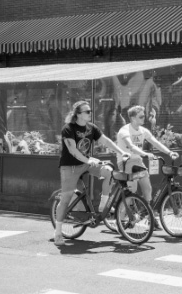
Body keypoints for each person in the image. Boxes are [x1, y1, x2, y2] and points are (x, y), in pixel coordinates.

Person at [54, 101, 130, 246]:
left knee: (108, 171)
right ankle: (58, 232)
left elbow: (106, 141)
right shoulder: (68, 129)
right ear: (78, 114)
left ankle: (103, 206)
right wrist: (88, 161)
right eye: (87, 111)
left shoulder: (91, 128)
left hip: (86, 163)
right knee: (66, 199)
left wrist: (122, 152)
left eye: (90, 111)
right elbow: (73, 151)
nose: (90, 113)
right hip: (70, 166)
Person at [117, 105, 179, 226]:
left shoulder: (143, 130)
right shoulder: (124, 131)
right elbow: (131, 146)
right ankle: (121, 219)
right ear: (133, 118)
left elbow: (155, 143)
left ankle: (150, 217)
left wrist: (169, 152)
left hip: (138, 161)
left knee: (147, 189)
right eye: (141, 116)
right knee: (131, 190)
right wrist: (145, 154)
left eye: (144, 115)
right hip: (126, 162)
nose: (144, 118)